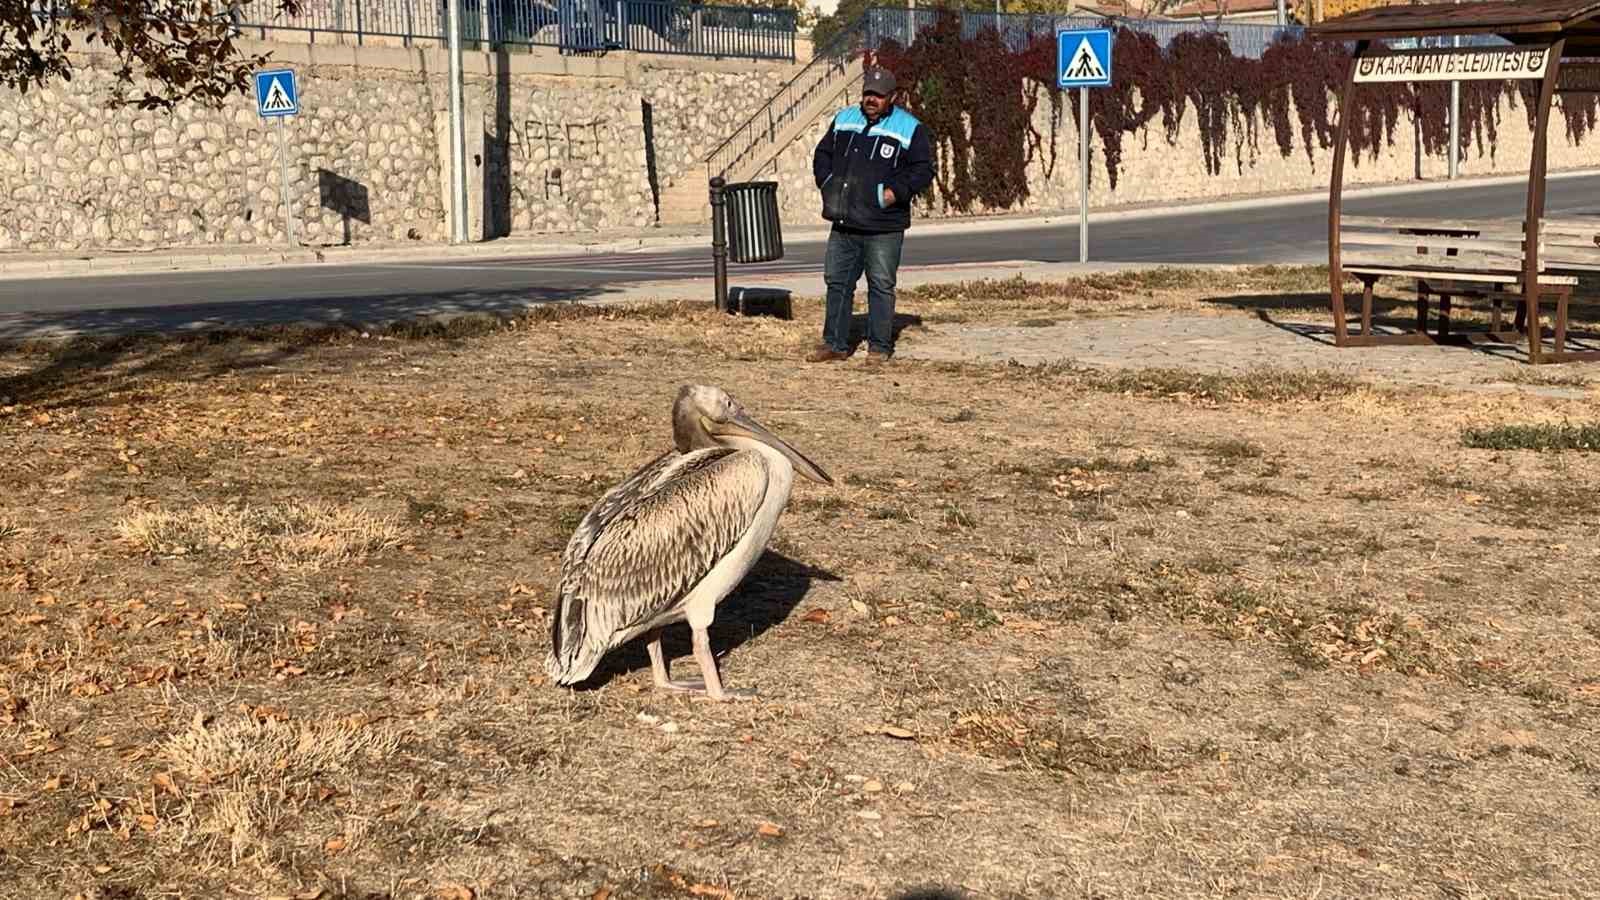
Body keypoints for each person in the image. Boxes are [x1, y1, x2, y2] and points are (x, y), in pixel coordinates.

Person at [808, 67, 934, 365]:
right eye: (868, 93)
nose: (871, 99)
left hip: (883, 226)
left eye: (878, 95)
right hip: (844, 222)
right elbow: (822, 154)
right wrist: (827, 182)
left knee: (880, 285)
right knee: (837, 282)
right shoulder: (843, 119)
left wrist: (891, 193)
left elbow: (922, 170)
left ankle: (879, 348)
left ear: (892, 97)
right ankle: (834, 345)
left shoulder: (910, 128)